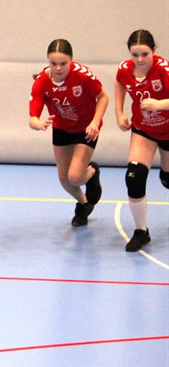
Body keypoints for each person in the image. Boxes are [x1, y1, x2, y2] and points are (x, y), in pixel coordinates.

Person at [29, 39, 108, 226]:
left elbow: (103, 97)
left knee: (75, 176)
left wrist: (95, 122)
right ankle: (84, 203)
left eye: (63, 63)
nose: (58, 68)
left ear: (71, 60)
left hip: (86, 127)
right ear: (48, 61)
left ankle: (92, 171)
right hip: (61, 128)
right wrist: (38, 124)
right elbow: (32, 118)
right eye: (53, 63)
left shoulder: (83, 75)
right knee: (64, 179)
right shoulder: (41, 82)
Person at [114, 29, 169, 252]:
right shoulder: (125, 69)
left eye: (145, 54)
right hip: (143, 129)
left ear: (154, 50)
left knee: (168, 179)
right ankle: (141, 231)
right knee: (134, 177)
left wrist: (160, 104)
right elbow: (119, 84)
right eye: (134, 54)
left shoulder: (163, 69)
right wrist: (119, 112)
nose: (140, 59)